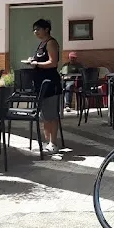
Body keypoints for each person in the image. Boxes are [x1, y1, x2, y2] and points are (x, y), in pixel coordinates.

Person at [26, 19, 63, 155]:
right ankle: (47, 141)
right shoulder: (41, 44)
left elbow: (53, 63)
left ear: (46, 29)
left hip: (50, 83)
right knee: (44, 115)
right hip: (40, 85)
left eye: (38, 29)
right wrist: (33, 61)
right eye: (34, 29)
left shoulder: (51, 43)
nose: (35, 32)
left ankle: (53, 142)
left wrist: (37, 64)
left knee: (51, 114)